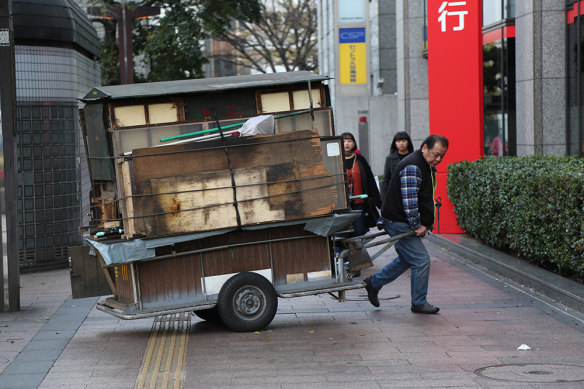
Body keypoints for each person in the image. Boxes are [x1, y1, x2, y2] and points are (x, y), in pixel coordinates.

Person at [364, 134, 449, 314]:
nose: (438, 159)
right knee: (421, 260)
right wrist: (418, 225)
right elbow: (409, 202)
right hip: (398, 221)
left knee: (406, 258)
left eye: (442, 155)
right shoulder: (414, 165)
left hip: (398, 219)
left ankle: (375, 283)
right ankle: (418, 302)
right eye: (436, 154)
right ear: (424, 147)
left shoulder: (423, 164)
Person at [340, 132, 381, 237]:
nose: (346, 144)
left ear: (354, 143)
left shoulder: (360, 159)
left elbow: (370, 181)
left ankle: (356, 252)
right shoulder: (336, 160)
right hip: (342, 205)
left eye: (349, 141)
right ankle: (346, 253)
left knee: (359, 231)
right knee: (343, 233)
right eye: (344, 141)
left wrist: (378, 202)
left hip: (359, 202)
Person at [380, 131, 414, 199]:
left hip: (411, 191)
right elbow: (386, 178)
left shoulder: (414, 157)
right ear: (395, 143)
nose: (401, 143)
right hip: (395, 193)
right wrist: (384, 199)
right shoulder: (390, 158)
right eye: (398, 141)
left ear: (408, 142)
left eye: (404, 141)